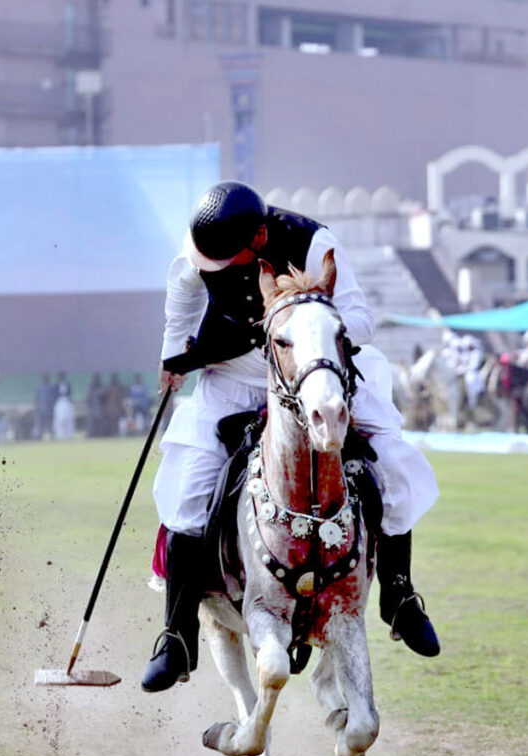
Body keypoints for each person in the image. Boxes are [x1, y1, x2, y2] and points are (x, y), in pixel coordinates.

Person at [142, 180, 440, 693]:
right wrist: (174, 356)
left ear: (258, 237)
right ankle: (178, 635)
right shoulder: (207, 247)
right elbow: (184, 291)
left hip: (317, 366)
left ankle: (398, 592)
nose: (220, 271)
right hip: (235, 376)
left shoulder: (314, 242)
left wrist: (300, 324)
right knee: (187, 491)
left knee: (393, 464)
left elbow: (363, 322)